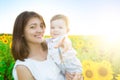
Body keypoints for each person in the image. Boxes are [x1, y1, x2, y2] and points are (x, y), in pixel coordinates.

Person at [11, 11, 80, 80]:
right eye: (32, 27)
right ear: (21, 32)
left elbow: (62, 40)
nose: (40, 30)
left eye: (41, 26)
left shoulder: (51, 46)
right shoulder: (23, 67)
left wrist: (73, 75)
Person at [46, 14, 83, 80]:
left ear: (67, 30)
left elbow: (66, 41)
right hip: (63, 70)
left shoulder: (63, 39)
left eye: (60, 27)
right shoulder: (49, 41)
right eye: (52, 27)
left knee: (74, 77)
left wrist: (66, 43)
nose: (55, 30)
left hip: (72, 68)